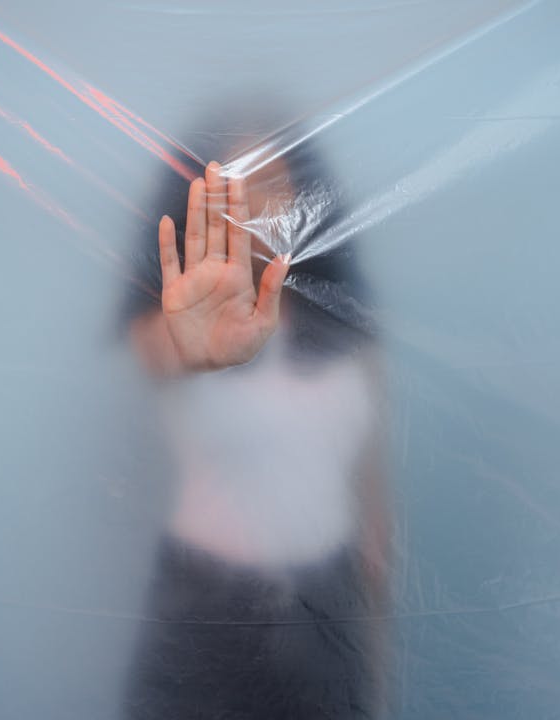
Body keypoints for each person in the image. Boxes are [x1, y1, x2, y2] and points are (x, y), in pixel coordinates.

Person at [121, 134, 394, 719]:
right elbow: (162, 360)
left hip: (329, 601)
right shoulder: (174, 318)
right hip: (207, 606)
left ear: (306, 197)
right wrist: (195, 350)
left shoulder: (353, 334)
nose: (253, 204)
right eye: (234, 187)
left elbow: (372, 492)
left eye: (273, 182)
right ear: (203, 203)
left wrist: (375, 641)